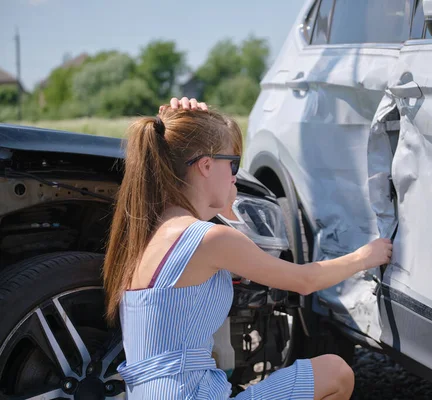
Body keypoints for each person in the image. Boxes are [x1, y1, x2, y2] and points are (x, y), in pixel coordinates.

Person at [102, 97, 393, 400]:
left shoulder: (145, 231)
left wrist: (185, 132)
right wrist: (366, 256)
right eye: (233, 164)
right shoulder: (209, 239)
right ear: (205, 165)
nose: (235, 176)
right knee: (336, 372)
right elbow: (305, 280)